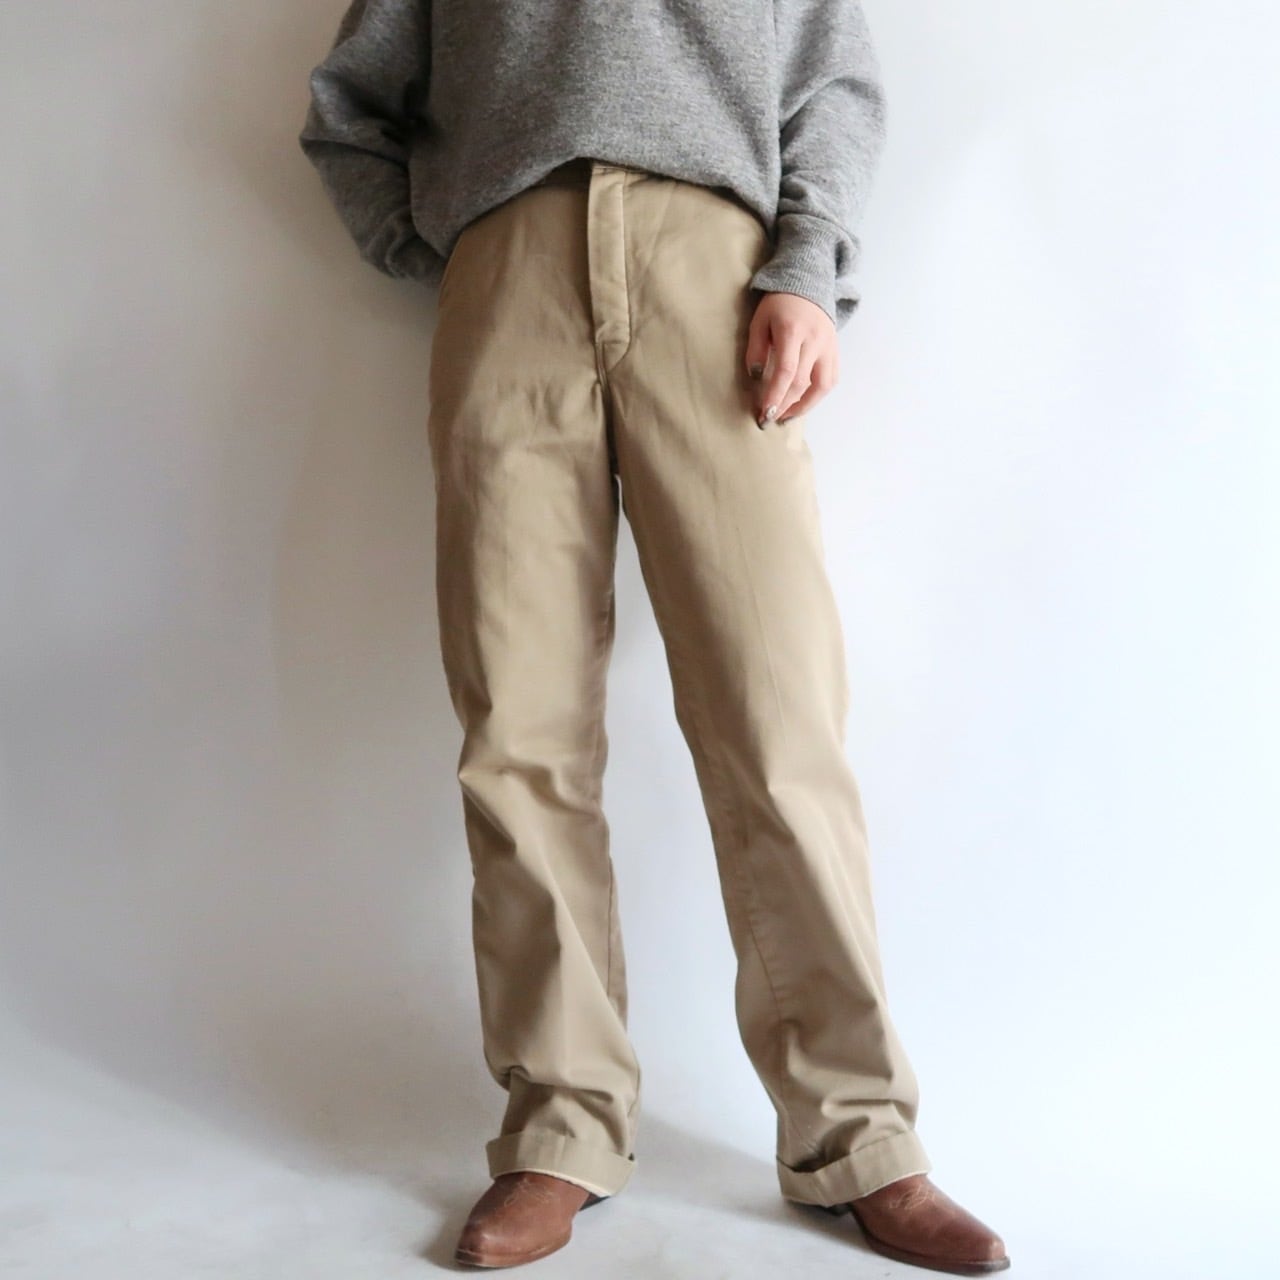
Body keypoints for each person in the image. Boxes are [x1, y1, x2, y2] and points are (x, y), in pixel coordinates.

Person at [298, 1, 1010, 1273]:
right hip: (505, 265)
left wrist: (804, 269)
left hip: (715, 270)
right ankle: (559, 1125)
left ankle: (857, 1136)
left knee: (775, 721)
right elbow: (349, 108)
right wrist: (453, 248)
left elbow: (830, 83)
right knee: (518, 731)